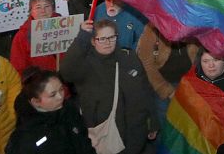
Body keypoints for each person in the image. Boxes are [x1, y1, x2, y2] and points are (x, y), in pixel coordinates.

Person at [60, 20, 159, 154]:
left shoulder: (129, 58)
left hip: (135, 136)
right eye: (102, 39)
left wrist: (152, 121)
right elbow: (66, 72)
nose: (108, 42)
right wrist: (82, 37)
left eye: (112, 37)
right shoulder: (85, 66)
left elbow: (146, 91)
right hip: (105, 138)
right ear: (93, 41)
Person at [159, 50, 224, 154]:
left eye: (216, 60)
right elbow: (180, 128)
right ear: (200, 62)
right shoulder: (189, 85)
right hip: (200, 148)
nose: (211, 65)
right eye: (205, 61)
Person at [5, 68, 93, 154]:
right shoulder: (26, 136)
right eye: (53, 95)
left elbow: (85, 143)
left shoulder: (70, 111)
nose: (60, 97)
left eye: (61, 89)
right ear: (36, 102)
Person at [9, 0, 63, 75]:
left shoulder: (65, 26)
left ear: (53, 9)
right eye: (38, 7)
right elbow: (18, 68)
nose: (43, 11)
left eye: (47, 6)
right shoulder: (22, 36)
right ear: (31, 11)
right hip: (41, 84)